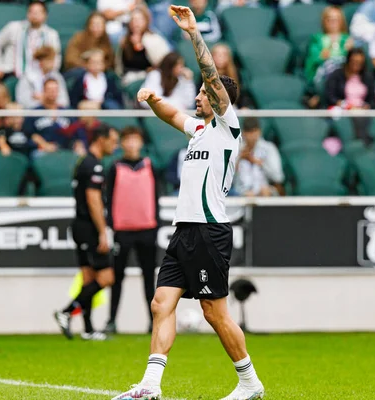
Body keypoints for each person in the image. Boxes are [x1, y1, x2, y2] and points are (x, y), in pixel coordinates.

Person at [114, 5, 264, 400]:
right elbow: (171, 114)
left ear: (219, 99)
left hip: (209, 231)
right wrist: (151, 99)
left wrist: (194, 34)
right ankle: (150, 385)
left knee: (215, 313)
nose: (197, 95)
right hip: (185, 230)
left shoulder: (228, 128)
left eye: (202, 92)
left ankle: (250, 383)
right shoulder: (199, 129)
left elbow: (210, 73)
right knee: (161, 302)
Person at [54, 125, 119, 341]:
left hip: (80, 227)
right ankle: (66, 311)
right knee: (107, 277)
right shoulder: (93, 165)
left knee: (88, 278)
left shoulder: (84, 161)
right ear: (101, 140)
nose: (115, 145)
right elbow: (93, 200)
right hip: (89, 228)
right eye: (113, 140)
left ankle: (89, 329)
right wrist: (102, 232)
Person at [104, 126, 159, 335]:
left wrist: (156, 225)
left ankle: (153, 322)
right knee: (117, 278)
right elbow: (108, 199)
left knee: (149, 279)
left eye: (135, 139)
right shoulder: (114, 167)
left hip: (147, 229)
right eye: (127, 139)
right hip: (122, 231)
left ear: (141, 143)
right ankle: (112, 320)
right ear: (122, 143)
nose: (131, 144)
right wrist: (110, 227)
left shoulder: (150, 166)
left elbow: (156, 198)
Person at [0, 1, 61, 80]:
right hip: (13, 74)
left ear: (45, 15)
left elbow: (56, 56)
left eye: (38, 12)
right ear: (27, 13)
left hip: (41, 76)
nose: (35, 15)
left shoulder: (51, 34)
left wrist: (50, 68)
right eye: (31, 11)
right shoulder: (14, 27)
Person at [116, 6, 170, 87]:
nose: (136, 23)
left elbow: (164, 62)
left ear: (146, 21)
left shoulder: (154, 39)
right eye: (133, 20)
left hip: (150, 79)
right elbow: (121, 66)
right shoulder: (124, 40)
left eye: (139, 19)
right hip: (129, 78)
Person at [305, 6, 353, 92]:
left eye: (337, 19)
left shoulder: (348, 39)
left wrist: (350, 51)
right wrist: (321, 56)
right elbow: (312, 60)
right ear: (324, 21)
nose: (333, 23)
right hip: (325, 73)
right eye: (330, 19)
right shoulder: (317, 39)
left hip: (345, 71)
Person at [233, 118, 284, 197]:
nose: (252, 136)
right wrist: (239, 159)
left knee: (265, 191)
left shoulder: (268, 148)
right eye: (249, 132)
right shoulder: (236, 149)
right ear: (243, 133)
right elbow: (226, 180)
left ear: (259, 132)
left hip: (263, 191)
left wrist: (258, 162)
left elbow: (278, 177)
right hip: (240, 193)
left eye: (254, 131)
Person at [24, 78, 72, 156]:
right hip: (41, 150)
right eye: (49, 89)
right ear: (44, 91)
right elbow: (28, 135)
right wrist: (43, 144)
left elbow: (75, 134)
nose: (53, 92)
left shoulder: (67, 112)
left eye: (55, 89)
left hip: (63, 150)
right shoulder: (35, 113)